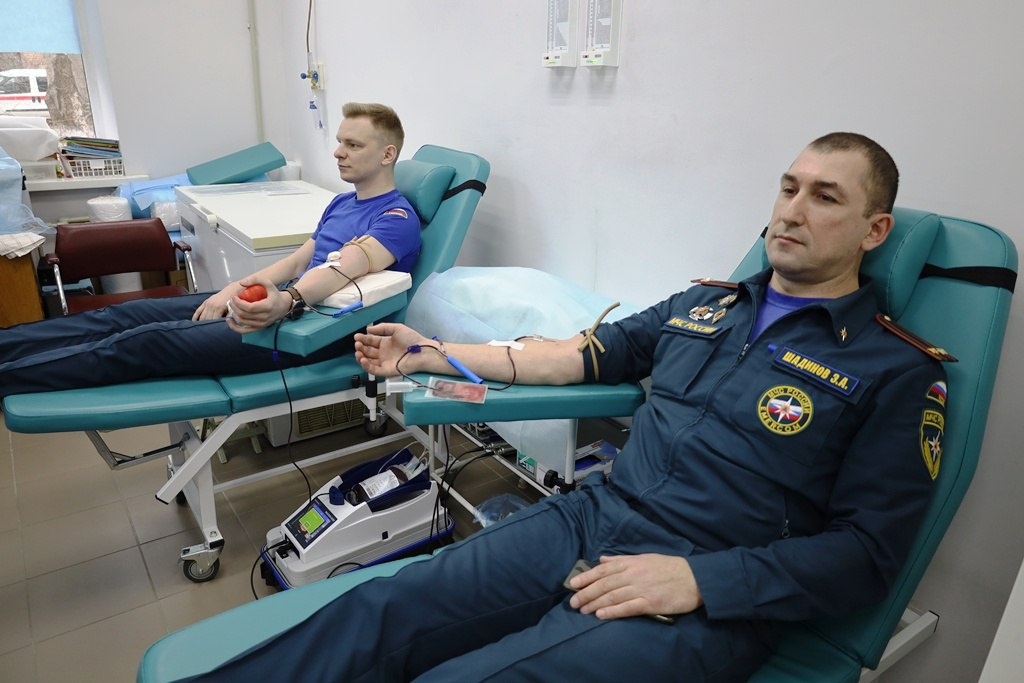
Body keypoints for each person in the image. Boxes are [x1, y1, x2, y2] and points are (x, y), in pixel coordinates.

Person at [181, 132, 948, 682]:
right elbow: (574, 354)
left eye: (825, 197)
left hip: (706, 584)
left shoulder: (895, 371)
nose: (792, 210)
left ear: (875, 230)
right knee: (388, 604)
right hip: (592, 515)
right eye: (788, 187)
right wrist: (433, 353)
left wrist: (703, 582)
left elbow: (866, 555)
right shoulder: (703, 307)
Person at [0, 102, 421, 398]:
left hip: (317, 331)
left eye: (353, 145)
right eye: (340, 141)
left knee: (145, 343)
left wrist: (288, 301)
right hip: (285, 305)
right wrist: (233, 288)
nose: (338, 152)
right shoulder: (343, 202)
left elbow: (344, 267)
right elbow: (299, 260)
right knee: (126, 314)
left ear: (388, 154)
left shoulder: (397, 218)